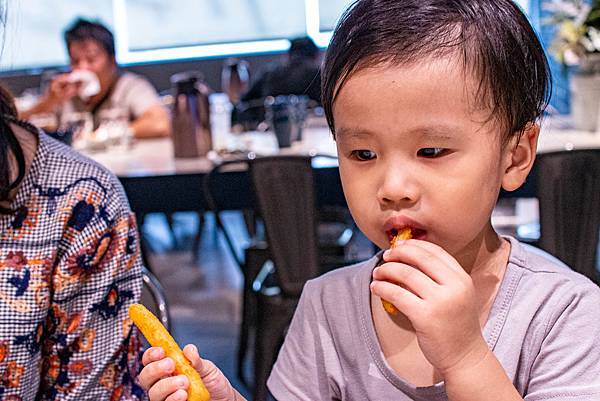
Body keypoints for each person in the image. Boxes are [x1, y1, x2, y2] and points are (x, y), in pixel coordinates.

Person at [138, 1, 600, 400]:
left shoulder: (565, 313)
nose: (393, 186)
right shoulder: (326, 307)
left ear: (515, 156)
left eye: (431, 151)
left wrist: (465, 357)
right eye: (363, 153)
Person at [20, 18, 170, 139]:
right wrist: (48, 102)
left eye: (91, 60)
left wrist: (105, 136)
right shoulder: (63, 92)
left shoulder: (130, 86)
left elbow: (160, 123)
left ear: (112, 60)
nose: (83, 68)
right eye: (75, 61)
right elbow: (16, 126)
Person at [241, 36, 322, 104]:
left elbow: (244, 102)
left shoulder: (269, 75)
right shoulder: (319, 76)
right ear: (316, 56)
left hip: (270, 121)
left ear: (287, 56)